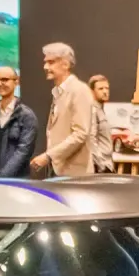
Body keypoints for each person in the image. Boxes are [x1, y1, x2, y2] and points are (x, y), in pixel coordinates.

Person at [31, 42, 95, 177]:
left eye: (51, 62)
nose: (45, 67)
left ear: (65, 64)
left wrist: (48, 156)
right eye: (45, 62)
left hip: (75, 174)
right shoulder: (59, 92)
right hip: (58, 170)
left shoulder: (79, 90)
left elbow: (80, 134)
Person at [0, 66, 37, 178]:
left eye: (4, 80)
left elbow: (23, 151)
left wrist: (2, 179)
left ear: (16, 82)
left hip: (15, 182)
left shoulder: (26, 116)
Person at [88, 74, 113, 173]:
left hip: (106, 164)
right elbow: (91, 139)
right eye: (101, 89)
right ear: (91, 91)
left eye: (107, 88)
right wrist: (101, 165)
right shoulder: (92, 110)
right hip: (98, 167)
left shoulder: (100, 110)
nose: (105, 91)